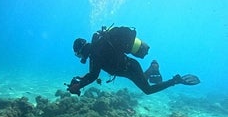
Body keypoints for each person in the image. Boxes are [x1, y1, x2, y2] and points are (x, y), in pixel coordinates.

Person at [67, 25, 200, 96]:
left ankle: (175, 80)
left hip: (130, 68)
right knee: (142, 79)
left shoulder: (95, 54)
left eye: (78, 55)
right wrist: (79, 82)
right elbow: (92, 73)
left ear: (80, 51)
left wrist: (78, 85)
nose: (80, 58)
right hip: (130, 67)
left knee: (148, 90)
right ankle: (152, 68)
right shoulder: (97, 49)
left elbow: (93, 75)